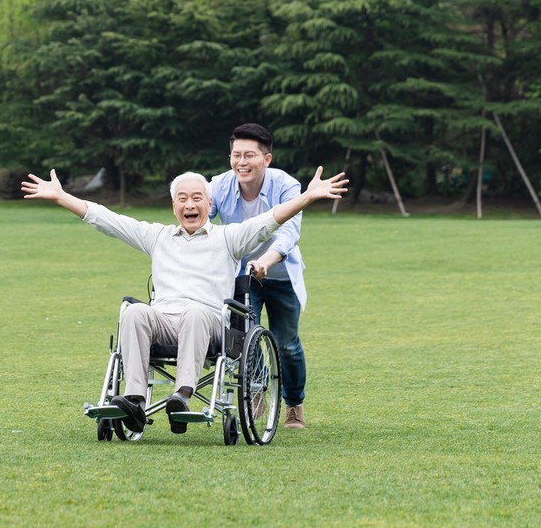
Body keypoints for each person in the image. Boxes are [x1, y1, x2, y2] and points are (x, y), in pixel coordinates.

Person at [21, 165, 347, 435]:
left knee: (193, 312)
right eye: (182, 199)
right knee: (134, 312)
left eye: (196, 198)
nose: (189, 204)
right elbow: (108, 220)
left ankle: (183, 395)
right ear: (173, 207)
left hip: (212, 324)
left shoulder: (228, 237)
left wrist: (306, 197)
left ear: (208, 203)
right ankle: (134, 400)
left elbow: (270, 220)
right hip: (164, 321)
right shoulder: (158, 236)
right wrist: (62, 197)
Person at [209, 123, 311, 430]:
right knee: (247, 339)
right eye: (236, 155)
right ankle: (256, 394)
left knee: (286, 343)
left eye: (249, 155)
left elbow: (289, 234)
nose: (241, 162)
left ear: (266, 159)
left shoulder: (287, 186)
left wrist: (264, 261)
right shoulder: (219, 185)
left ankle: (294, 403)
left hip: (279, 274)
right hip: (242, 276)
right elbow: (202, 217)